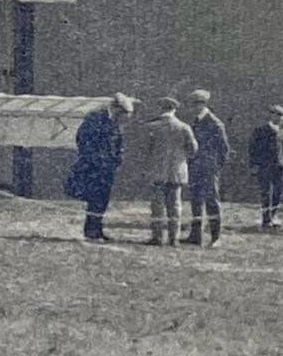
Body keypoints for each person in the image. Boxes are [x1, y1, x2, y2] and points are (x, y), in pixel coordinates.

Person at [66, 94, 128, 242]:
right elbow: (82, 139)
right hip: (93, 167)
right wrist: (95, 158)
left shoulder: (113, 122)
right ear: (117, 108)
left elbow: (117, 142)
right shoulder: (95, 119)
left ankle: (96, 229)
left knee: (102, 199)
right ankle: (91, 231)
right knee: (95, 198)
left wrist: (117, 158)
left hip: (107, 167)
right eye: (122, 113)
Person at [138, 97, 196, 245]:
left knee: (157, 206)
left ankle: (157, 237)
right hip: (176, 172)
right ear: (174, 109)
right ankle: (174, 238)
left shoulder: (151, 127)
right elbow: (193, 148)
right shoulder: (184, 127)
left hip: (157, 171)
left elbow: (144, 150)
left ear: (160, 108)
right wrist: (181, 158)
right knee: (175, 206)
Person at [185, 89, 230, 244]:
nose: (193, 108)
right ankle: (195, 235)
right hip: (195, 167)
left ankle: (215, 236)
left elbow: (224, 149)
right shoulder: (196, 121)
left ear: (202, 104)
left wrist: (215, 167)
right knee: (196, 201)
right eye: (192, 104)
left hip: (209, 169)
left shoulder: (215, 123)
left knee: (212, 202)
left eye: (195, 104)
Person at [248, 106, 283, 231]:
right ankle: (266, 219)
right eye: (278, 115)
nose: (280, 119)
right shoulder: (260, 131)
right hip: (264, 167)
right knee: (266, 193)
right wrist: (254, 165)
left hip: (278, 168)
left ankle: (273, 215)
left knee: (278, 192)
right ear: (271, 115)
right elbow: (253, 149)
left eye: (282, 117)